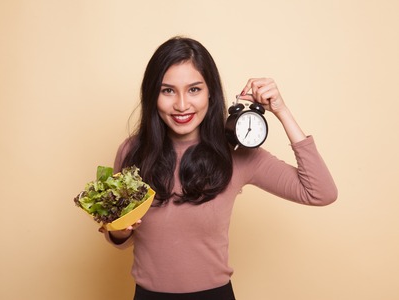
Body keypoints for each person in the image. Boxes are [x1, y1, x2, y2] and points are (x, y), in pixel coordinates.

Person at [100, 36, 338, 300]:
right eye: (168, 90)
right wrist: (119, 231)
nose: (181, 105)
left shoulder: (236, 154)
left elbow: (321, 192)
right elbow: (122, 237)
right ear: (152, 94)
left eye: (194, 90)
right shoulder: (132, 151)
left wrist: (281, 111)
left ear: (210, 92)